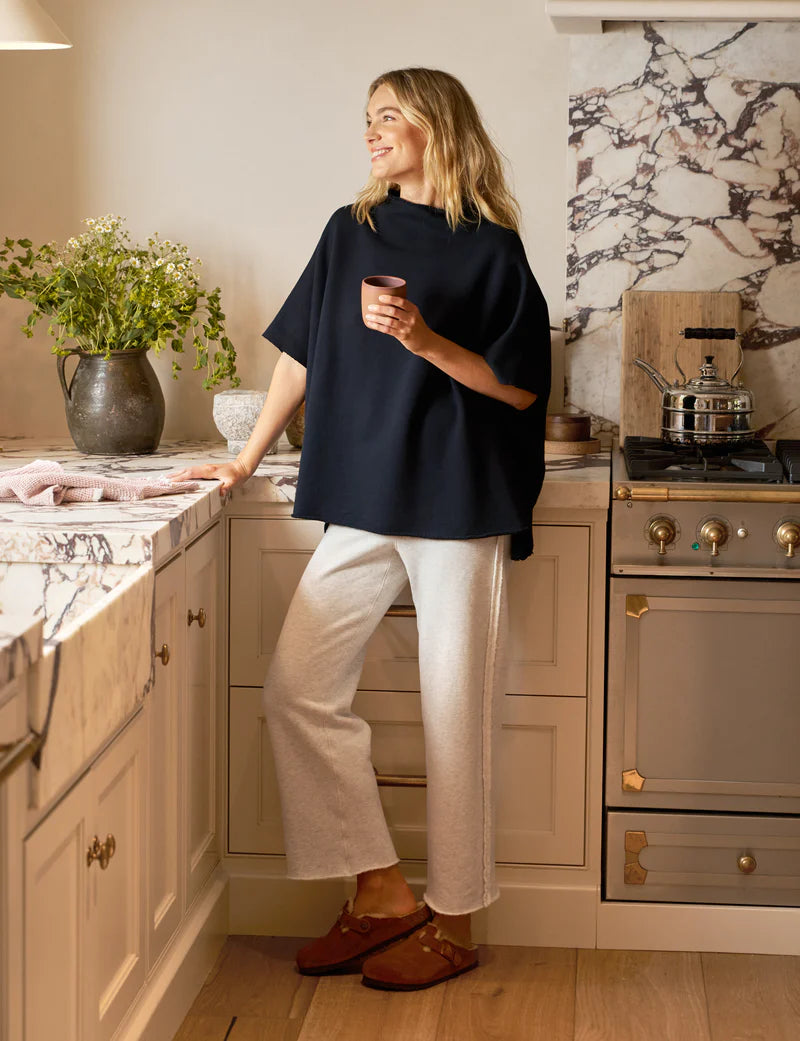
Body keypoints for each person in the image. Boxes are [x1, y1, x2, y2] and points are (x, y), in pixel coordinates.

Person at [170, 66, 550, 991]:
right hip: (365, 491)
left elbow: (518, 386)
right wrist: (249, 455)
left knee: (453, 715)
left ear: (437, 127)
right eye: (368, 120)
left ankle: (455, 919)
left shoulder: (495, 252)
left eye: (389, 118)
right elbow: (301, 352)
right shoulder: (352, 231)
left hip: (458, 500)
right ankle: (380, 889)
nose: (372, 133)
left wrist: (425, 340)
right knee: (296, 688)